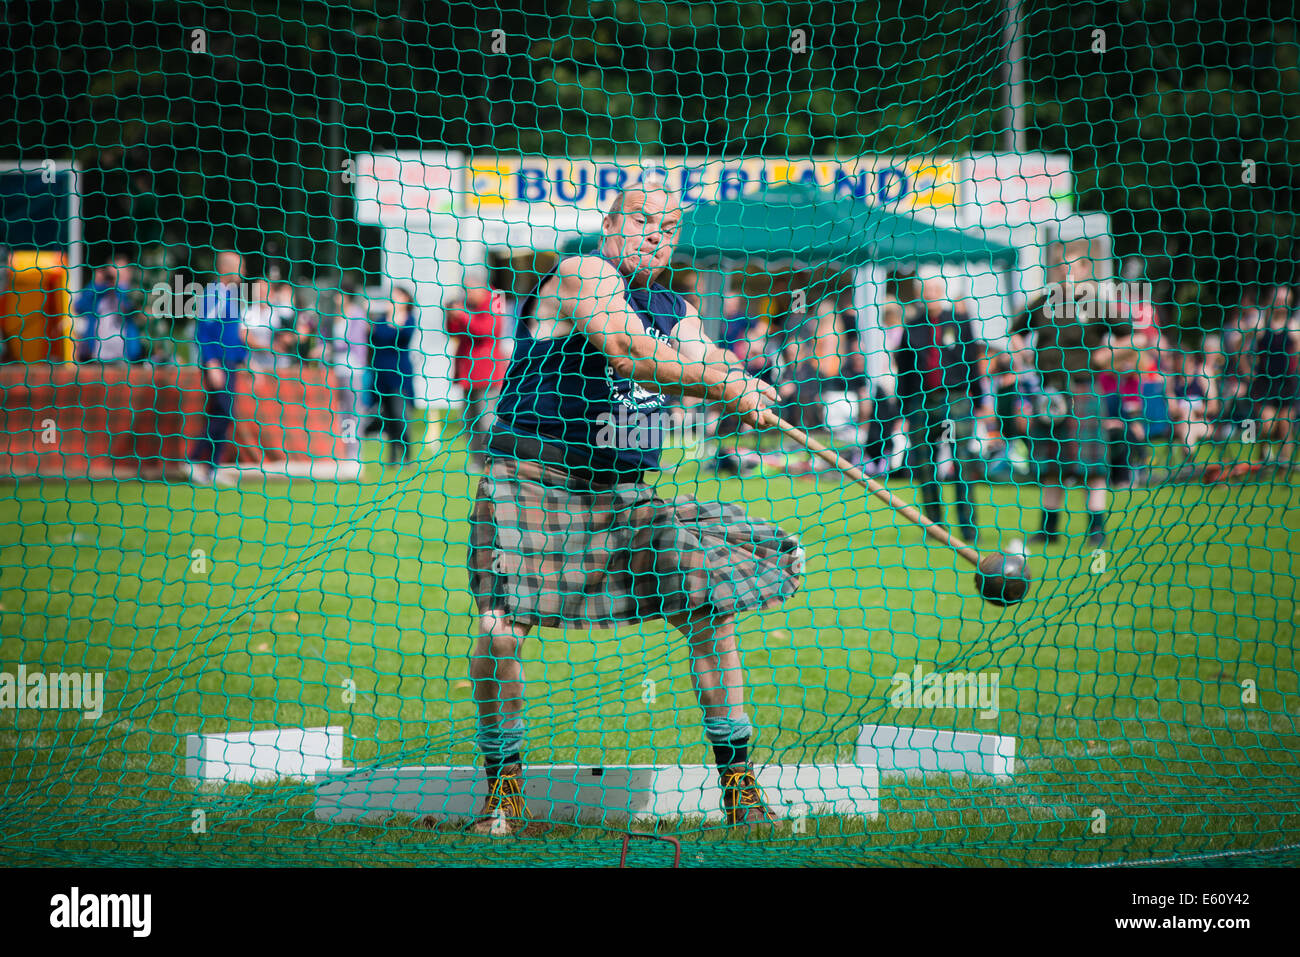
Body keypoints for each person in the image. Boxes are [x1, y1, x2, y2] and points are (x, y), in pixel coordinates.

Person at [463, 185, 802, 834]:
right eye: (644, 220)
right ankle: (503, 790)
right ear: (611, 222)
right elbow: (627, 351)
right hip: (535, 481)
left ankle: (739, 784)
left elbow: (705, 357)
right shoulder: (583, 272)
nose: (656, 235)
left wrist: (745, 385)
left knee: (708, 607)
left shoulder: (675, 306)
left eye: (669, 228)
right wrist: (722, 382)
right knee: (499, 627)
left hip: (627, 499)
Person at [1011, 263, 1138, 548]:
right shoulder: (1044, 302)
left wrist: (1106, 357)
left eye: (1073, 267)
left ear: (1085, 271)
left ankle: (1096, 528)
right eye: (1061, 268)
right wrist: (1026, 356)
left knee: (1092, 467)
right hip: (1050, 395)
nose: (1067, 273)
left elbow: (1131, 336)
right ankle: (1049, 528)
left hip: (1084, 390)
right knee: (1051, 466)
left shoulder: (1095, 303)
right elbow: (1015, 333)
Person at [894, 275, 988, 545]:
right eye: (928, 289)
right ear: (921, 293)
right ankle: (936, 528)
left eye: (936, 288)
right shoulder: (912, 325)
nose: (932, 293)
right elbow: (904, 370)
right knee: (924, 466)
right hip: (922, 402)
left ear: (942, 291)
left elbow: (973, 362)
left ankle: (969, 529)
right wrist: (904, 410)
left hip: (957, 400)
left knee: (962, 464)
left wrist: (980, 401)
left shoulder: (959, 322)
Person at [187, 250, 249, 484]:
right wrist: (211, 362)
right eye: (240, 267)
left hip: (230, 362)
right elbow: (204, 331)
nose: (243, 272)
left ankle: (211, 469)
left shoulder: (230, 295)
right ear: (227, 269)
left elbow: (233, 334)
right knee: (224, 413)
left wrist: (245, 359)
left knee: (220, 413)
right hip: (218, 362)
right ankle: (193, 461)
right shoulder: (214, 294)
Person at [445, 282, 511, 470]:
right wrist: (451, 316)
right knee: (469, 421)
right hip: (467, 374)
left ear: (481, 288)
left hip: (487, 374)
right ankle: (477, 460)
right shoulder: (467, 306)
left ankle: (492, 459)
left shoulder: (495, 301)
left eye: (470, 290)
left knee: (486, 420)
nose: (466, 294)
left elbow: (486, 331)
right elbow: (453, 332)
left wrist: (462, 315)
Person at [1248, 285, 1299, 467]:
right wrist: (1246, 371)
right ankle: (1262, 454)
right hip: (1264, 382)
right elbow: (1241, 348)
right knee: (1265, 424)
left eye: (1285, 300)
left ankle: (1284, 465)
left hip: (1287, 382)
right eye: (1278, 300)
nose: (1281, 304)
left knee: (1286, 425)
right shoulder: (1260, 324)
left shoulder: (1293, 326)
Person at [369, 284, 418, 465]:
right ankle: (392, 456)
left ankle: (406, 453)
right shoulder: (381, 319)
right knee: (387, 416)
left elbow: (402, 336)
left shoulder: (409, 319)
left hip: (400, 375)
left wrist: (393, 319)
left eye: (397, 296)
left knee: (400, 415)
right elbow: (377, 336)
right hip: (382, 375)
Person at [74, 255, 144, 363]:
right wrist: (96, 284)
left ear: (129, 274)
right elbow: (79, 307)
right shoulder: (99, 295)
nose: (114, 276)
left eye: (119, 272)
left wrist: (119, 286)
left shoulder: (134, 293)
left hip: (125, 358)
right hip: (97, 356)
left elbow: (131, 306)